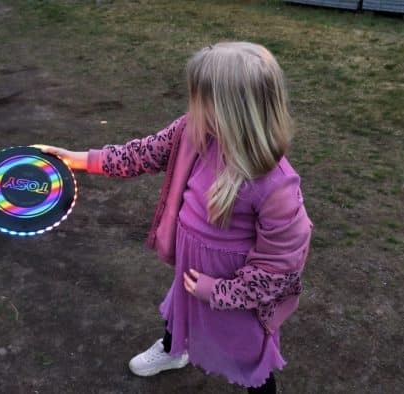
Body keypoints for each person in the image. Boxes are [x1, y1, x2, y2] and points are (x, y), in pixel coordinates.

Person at [33, 41, 313, 394]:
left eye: (201, 98)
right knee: (179, 309)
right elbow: (140, 155)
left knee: (248, 355)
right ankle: (173, 348)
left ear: (235, 110)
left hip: (234, 291)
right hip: (190, 267)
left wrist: (220, 290)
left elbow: (280, 268)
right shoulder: (191, 131)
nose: (192, 106)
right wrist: (79, 159)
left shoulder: (276, 186)